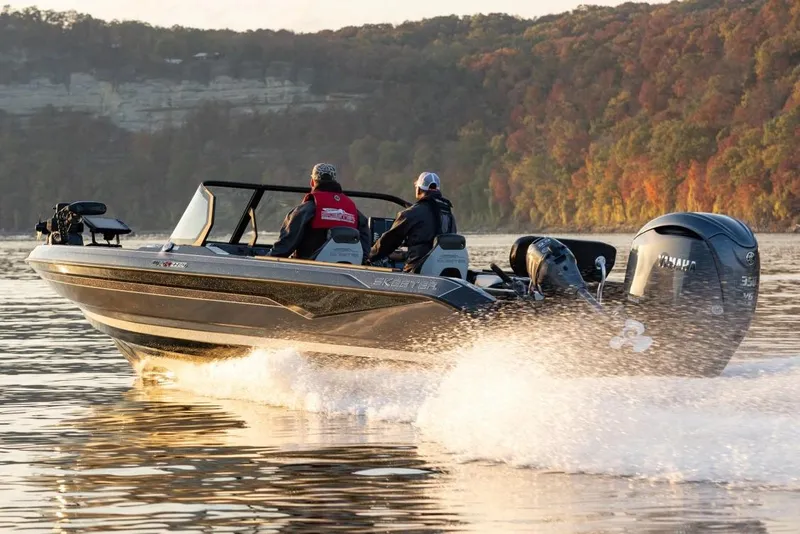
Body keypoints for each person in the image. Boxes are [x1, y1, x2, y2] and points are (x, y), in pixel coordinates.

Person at [268, 163, 371, 260]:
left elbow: (283, 248)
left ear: (312, 182)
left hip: (310, 270)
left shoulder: (305, 210)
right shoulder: (354, 212)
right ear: (334, 181)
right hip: (347, 268)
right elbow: (365, 251)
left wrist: (265, 259)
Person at [368, 171, 457, 272]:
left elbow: (389, 241)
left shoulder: (413, 213)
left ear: (418, 189)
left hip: (418, 269)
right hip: (444, 270)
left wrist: (370, 255)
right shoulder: (449, 214)